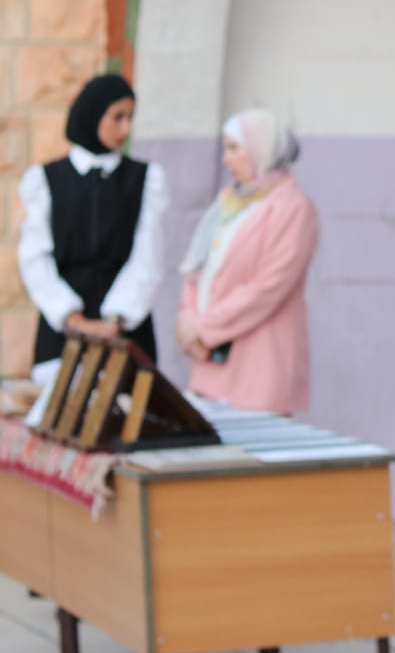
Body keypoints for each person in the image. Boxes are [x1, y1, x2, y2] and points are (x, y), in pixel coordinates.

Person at [19, 74, 168, 422]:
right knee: (61, 418)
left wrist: (114, 320)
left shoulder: (146, 178)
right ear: (92, 114)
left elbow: (148, 257)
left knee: (126, 420)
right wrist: (73, 319)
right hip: (64, 331)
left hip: (125, 327)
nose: (125, 128)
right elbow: (35, 258)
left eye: (130, 117)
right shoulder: (45, 180)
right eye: (117, 117)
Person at [175, 109, 318, 415]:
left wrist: (203, 327)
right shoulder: (228, 202)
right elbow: (196, 267)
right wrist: (188, 320)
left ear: (261, 149)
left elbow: (269, 287)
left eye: (234, 148)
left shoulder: (292, 208)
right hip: (210, 364)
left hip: (258, 366)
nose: (226, 160)